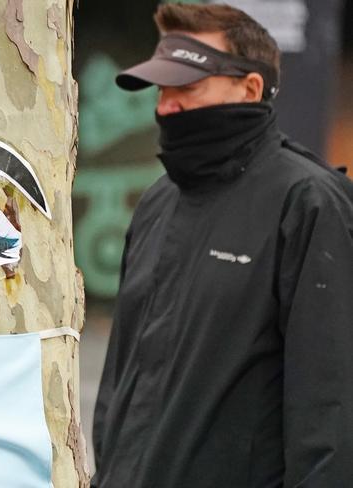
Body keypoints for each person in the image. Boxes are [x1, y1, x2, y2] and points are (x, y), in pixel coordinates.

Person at [91, 4, 353, 487]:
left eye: (187, 86)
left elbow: (330, 412)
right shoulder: (157, 201)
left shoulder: (308, 202)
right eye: (161, 87)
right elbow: (118, 382)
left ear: (250, 88)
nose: (166, 104)